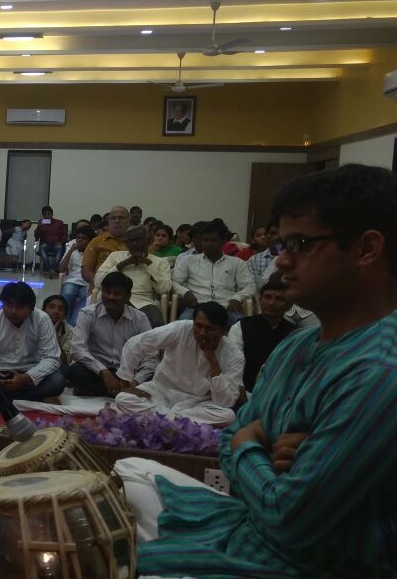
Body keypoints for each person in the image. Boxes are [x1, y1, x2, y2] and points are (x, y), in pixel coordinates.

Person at [128, 164, 397, 578]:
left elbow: (286, 514)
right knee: (127, 473)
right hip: (249, 527)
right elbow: (230, 440)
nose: (282, 260)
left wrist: (250, 444)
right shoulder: (299, 344)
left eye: (300, 243)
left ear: (366, 250)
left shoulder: (379, 371)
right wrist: (260, 449)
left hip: (302, 564)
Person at [114, 302, 244, 425]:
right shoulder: (181, 329)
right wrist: (125, 379)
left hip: (197, 403)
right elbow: (137, 343)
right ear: (193, 323)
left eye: (210, 329)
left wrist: (212, 359)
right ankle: (177, 420)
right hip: (161, 391)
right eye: (198, 326)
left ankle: (162, 418)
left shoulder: (234, 355)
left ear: (222, 331)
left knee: (228, 416)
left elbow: (224, 402)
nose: (203, 333)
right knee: (122, 398)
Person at [0, 282, 66, 405]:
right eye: (9, 305)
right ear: (2, 304)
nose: (13, 311)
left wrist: (24, 378)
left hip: (31, 374)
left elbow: (52, 358)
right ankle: (34, 398)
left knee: (57, 381)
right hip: (1, 374)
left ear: (31, 308)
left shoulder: (41, 319)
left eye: (20, 307)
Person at [66, 272, 155, 397]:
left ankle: (114, 390)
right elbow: (77, 349)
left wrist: (135, 381)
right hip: (97, 372)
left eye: (116, 293)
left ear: (128, 296)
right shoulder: (88, 314)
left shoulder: (140, 318)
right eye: (107, 292)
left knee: (155, 373)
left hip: (128, 374)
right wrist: (103, 372)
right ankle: (123, 393)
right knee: (74, 371)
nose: (110, 297)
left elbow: (150, 355)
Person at [171, 219, 256, 325]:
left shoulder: (237, 263)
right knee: (181, 325)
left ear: (223, 241)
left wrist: (237, 298)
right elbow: (174, 282)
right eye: (205, 240)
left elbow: (250, 286)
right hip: (197, 307)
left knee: (243, 327)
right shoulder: (188, 261)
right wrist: (185, 293)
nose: (209, 244)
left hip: (226, 308)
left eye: (213, 240)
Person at [228, 274, 296, 391]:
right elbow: (231, 366)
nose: (271, 303)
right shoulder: (240, 327)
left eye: (279, 299)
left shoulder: (296, 335)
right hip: (243, 393)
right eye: (268, 297)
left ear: (289, 305)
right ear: (260, 301)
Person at [95, 226, 171, 328]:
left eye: (138, 240)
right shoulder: (115, 256)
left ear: (148, 241)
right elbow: (98, 282)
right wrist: (122, 265)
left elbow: (164, 289)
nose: (134, 244)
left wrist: (148, 264)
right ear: (126, 243)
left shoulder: (160, 262)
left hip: (143, 302)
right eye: (131, 241)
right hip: (116, 299)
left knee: (156, 322)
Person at [82, 206, 129, 283]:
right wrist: (98, 283)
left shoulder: (136, 241)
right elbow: (86, 270)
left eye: (121, 218)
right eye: (113, 218)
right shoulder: (96, 241)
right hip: (103, 288)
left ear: (128, 221)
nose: (117, 221)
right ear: (109, 221)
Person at [58, 225, 94, 325]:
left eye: (83, 238)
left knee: (84, 297)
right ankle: (64, 321)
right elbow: (61, 269)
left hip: (86, 282)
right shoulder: (72, 250)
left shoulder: (92, 252)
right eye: (78, 238)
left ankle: (73, 323)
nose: (79, 240)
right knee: (68, 293)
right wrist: (70, 251)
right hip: (71, 280)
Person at [33, 205, 67, 278]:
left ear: (52, 214)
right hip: (46, 243)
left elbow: (65, 234)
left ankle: (51, 270)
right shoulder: (42, 224)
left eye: (48, 214)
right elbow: (36, 237)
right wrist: (39, 226)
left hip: (57, 243)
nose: (47, 216)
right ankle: (51, 270)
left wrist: (61, 242)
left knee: (59, 247)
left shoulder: (59, 222)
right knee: (42, 247)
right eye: (45, 215)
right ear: (43, 216)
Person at [40, 294, 73, 366]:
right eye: (51, 307)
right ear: (43, 311)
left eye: (61, 309)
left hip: (57, 366)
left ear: (65, 315)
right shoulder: (36, 324)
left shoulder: (70, 330)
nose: (56, 311)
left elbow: (65, 361)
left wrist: (54, 335)